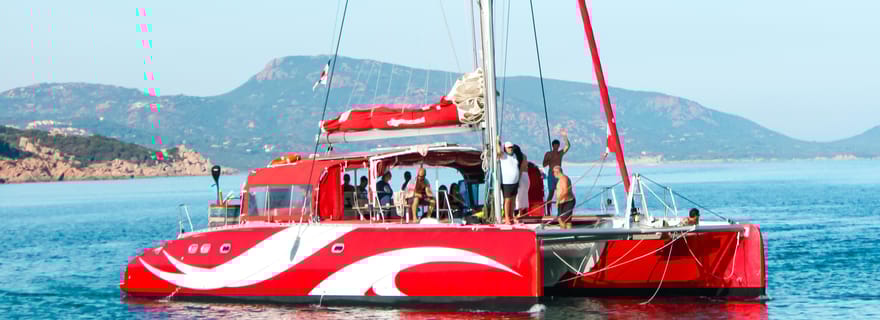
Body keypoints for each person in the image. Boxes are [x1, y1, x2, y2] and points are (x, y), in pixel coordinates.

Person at [543, 131, 570, 216]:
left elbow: (568, 146)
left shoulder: (560, 153)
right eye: (554, 146)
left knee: (560, 193)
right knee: (551, 193)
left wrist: (565, 137)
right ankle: (547, 212)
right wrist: (549, 160)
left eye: (557, 146)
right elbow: (543, 164)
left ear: (558, 146)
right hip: (551, 174)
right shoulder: (548, 154)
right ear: (552, 146)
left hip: (559, 175)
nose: (556, 147)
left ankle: (560, 212)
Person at [498, 140, 520, 224]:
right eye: (509, 147)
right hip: (507, 182)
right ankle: (506, 217)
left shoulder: (514, 155)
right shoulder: (503, 155)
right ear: (505, 148)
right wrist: (498, 144)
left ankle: (511, 216)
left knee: (513, 200)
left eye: (512, 147)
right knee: (507, 200)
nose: (511, 149)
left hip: (515, 182)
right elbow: (499, 152)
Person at [513, 145, 530, 221]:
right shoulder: (525, 156)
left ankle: (518, 214)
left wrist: (517, 179)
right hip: (526, 176)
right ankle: (523, 213)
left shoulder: (517, 157)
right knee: (524, 196)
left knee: (517, 197)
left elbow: (520, 169)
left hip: (521, 176)